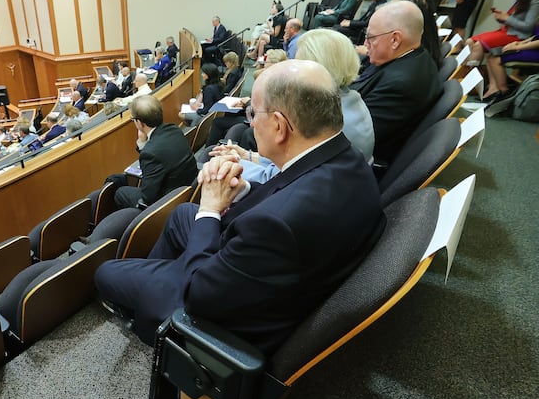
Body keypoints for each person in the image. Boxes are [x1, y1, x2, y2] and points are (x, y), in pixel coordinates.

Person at [95, 59, 384, 350]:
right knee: (183, 213)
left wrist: (209, 207)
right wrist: (241, 190)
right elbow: (285, 191)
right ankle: (154, 297)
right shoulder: (347, 158)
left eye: (253, 113)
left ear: (279, 126)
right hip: (265, 267)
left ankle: (163, 312)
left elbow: (199, 292)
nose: (251, 122)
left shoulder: (275, 225)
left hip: (219, 298)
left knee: (106, 272)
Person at [212, 28, 376, 181]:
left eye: (297, 63)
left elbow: (280, 178)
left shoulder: (327, 117)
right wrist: (247, 156)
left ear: (316, 68)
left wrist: (232, 163)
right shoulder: (352, 99)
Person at [350, 0, 442, 165]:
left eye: (370, 37)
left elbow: (351, 138)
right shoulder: (416, 56)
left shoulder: (401, 85)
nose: (365, 44)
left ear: (395, 40)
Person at [111, 95, 197, 209]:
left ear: (140, 123)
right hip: (188, 188)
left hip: (168, 201)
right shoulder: (174, 129)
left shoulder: (150, 153)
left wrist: (143, 146)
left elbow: (147, 196)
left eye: (132, 119)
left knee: (120, 193)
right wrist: (143, 143)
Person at [469, 0, 539, 74]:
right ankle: (476, 76)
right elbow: (513, 19)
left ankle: (472, 79)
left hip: (518, 36)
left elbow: (528, 26)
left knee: (478, 45)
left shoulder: (535, 0)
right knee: (469, 41)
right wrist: (502, 17)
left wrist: (507, 18)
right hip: (507, 31)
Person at [484, 29, 539, 105]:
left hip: (536, 52)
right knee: (491, 55)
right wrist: (518, 43)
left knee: (495, 60)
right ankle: (494, 90)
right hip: (533, 48)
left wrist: (518, 47)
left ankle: (504, 93)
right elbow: (536, 36)